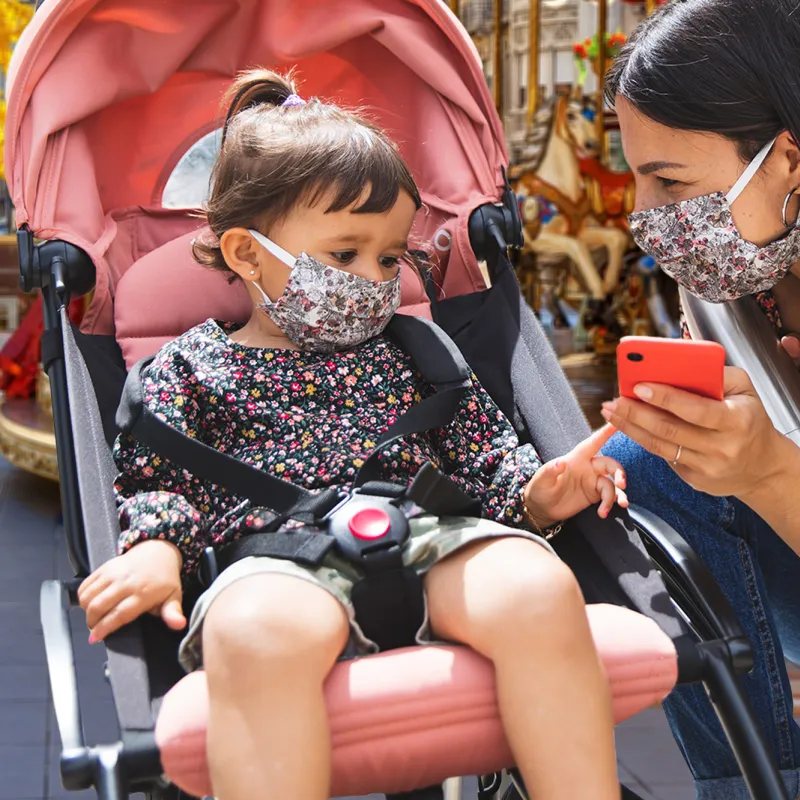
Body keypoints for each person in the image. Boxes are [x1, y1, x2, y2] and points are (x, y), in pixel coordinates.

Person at [76, 69, 628, 800]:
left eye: (391, 257)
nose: (374, 279)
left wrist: (539, 493)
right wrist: (155, 548)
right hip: (273, 561)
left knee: (537, 588)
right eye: (344, 256)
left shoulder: (419, 352)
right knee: (256, 635)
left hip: (436, 538)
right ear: (245, 253)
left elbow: (488, 462)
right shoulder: (188, 370)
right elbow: (158, 482)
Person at [600, 1, 800, 797]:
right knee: (638, 463)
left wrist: (767, 472)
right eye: (639, 178)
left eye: (670, 180)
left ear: (787, 159)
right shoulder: (729, 279)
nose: (647, 216)